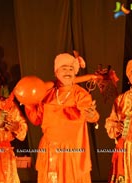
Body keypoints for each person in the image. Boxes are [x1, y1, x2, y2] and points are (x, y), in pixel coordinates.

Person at [24, 53, 100, 183]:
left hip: (73, 152)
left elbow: (90, 114)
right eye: (63, 68)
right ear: (56, 72)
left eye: (71, 69)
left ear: (75, 73)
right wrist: (28, 102)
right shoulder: (46, 94)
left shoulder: (81, 94)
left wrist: (92, 114)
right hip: (50, 150)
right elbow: (36, 119)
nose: (68, 71)